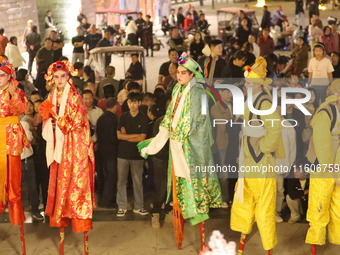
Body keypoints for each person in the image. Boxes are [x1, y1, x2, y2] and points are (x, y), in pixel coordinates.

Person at [139, 52, 222, 248]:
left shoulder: (197, 92)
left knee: (196, 189)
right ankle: (181, 230)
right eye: (178, 72)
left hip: (192, 149)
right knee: (178, 190)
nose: (179, 75)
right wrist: (162, 133)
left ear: (193, 75)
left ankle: (202, 242)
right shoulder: (177, 89)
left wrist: (175, 136)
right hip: (178, 145)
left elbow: (190, 121)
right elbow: (170, 114)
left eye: (184, 73)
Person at [230, 57, 284, 254]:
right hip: (249, 160)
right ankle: (242, 245)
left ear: (257, 84)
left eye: (248, 82)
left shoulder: (264, 102)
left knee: (264, 209)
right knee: (246, 201)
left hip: (261, 162)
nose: (245, 85)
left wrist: (262, 148)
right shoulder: (252, 99)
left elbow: (275, 128)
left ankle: (268, 247)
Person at [40, 60, 95, 251]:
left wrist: (57, 121)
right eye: (56, 77)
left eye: (63, 76)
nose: (60, 80)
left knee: (75, 185)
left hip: (75, 147)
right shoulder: (52, 95)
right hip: (60, 146)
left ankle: (77, 221)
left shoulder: (74, 95)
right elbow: (48, 118)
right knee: (61, 185)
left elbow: (79, 120)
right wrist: (50, 122)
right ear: (51, 79)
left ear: (68, 76)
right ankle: (61, 216)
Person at [305, 79, 340, 255]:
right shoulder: (325, 114)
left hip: (337, 165)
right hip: (323, 167)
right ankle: (315, 246)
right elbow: (323, 146)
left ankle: (337, 239)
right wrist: (332, 171)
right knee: (319, 205)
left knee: (338, 207)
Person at [0, 57, 29, 254]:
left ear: (10, 76)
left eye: (2, 75)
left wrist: (12, 96)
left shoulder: (16, 92)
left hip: (10, 140)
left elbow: (21, 109)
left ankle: (17, 216)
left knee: (13, 183)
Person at [116, 92, 149, 217]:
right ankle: (122, 206)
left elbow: (142, 138)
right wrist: (134, 136)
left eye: (135, 102)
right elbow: (118, 136)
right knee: (121, 181)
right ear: (127, 103)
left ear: (139, 103)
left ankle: (138, 206)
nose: (133, 105)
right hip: (122, 154)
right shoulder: (122, 117)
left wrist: (126, 136)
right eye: (130, 102)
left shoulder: (143, 117)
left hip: (137, 154)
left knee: (137, 181)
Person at [96, 97, 118, 208]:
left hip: (101, 151)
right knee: (111, 176)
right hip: (111, 152)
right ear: (115, 106)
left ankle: (103, 197)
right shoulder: (114, 119)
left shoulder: (101, 118)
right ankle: (106, 201)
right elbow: (114, 138)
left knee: (103, 176)